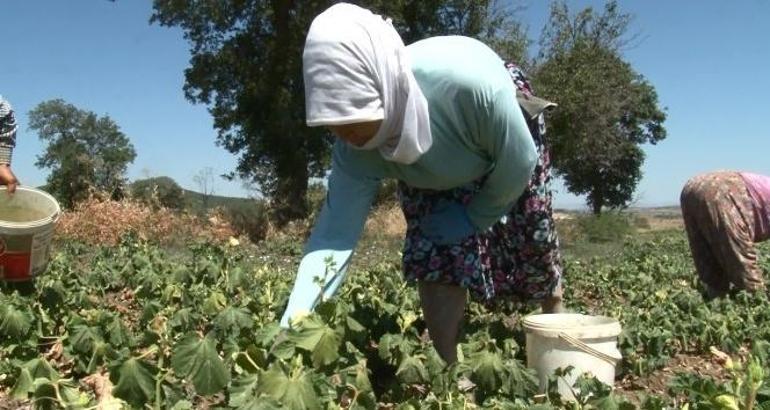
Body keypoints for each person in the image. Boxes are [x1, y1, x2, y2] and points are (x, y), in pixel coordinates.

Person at [280, 3, 563, 364]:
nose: (344, 133)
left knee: (532, 230)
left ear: (383, 87)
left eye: (354, 115)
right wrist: (296, 322)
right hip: (430, 168)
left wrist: (474, 217)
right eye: (331, 121)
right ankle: (447, 370)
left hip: (492, 140)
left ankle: (556, 322)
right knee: (434, 250)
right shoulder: (353, 150)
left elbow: (519, 161)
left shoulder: (472, 89)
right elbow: (333, 237)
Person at [681, 171, 770, 299]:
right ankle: (758, 302)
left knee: (706, 253)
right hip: (725, 190)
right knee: (740, 257)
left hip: (690, 188)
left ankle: (716, 301)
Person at [0, 96, 20, 194]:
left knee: (1, 167)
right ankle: (13, 185)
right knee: (4, 165)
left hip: (4, 123)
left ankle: (11, 180)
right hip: (7, 129)